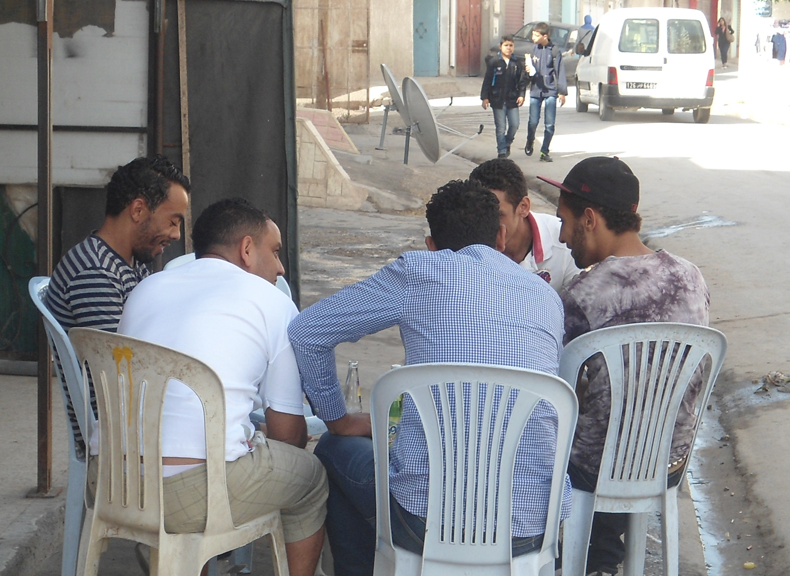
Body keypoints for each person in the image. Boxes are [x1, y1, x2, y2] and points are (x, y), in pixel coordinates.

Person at [287, 179, 571, 576]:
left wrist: (340, 420)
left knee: (333, 450)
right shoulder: (546, 296)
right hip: (531, 528)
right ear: (502, 237)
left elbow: (307, 332)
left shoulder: (418, 272)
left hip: (425, 525)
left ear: (430, 245)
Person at [117, 198, 327, 576]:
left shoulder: (146, 289)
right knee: (310, 478)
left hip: (116, 483)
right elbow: (287, 434)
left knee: (224, 450)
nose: (280, 268)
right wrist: (262, 438)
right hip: (191, 494)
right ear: (247, 249)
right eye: (275, 252)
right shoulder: (272, 303)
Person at [538, 157, 709, 576]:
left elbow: (554, 384)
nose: (561, 236)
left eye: (564, 220)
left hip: (596, 468)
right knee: (620, 419)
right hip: (667, 457)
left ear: (590, 218)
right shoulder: (691, 277)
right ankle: (602, 557)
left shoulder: (582, 294)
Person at [48, 155, 189, 461]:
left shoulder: (129, 263)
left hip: (136, 421)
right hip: (120, 438)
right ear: (138, 209)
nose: (177, 234)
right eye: (173, 220)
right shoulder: (96, 273)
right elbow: (119, 378)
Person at [469, 157, 579, 292]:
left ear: (523, 207)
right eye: (478, 214)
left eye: (497, 215)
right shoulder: (464, 240)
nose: (486, 224)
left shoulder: (564, 244)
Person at [523, 22, 567, 163]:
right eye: (533, 34)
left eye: (536, 35)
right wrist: (528, 72)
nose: (533, 37)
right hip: (536, 90)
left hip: (550, 91)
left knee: (549, 124)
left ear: (545, 36)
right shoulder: (532, 50)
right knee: (533, 122)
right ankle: (530, 140)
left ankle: (544, 151)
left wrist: (562, 92)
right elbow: (528, 71)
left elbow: (560, 71)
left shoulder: (554, 51)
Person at [482, 35, 529, 159]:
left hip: (512, 100)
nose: (508, 48)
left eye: (511, 45)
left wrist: (521, 95)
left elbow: (522, 81)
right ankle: (502, 151)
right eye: (506, 45)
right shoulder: (494, 62)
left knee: (514, 124)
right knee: (500, 127)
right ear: (500, 47)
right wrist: (485, 97)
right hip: (497, 99)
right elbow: (487, 80)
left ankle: (507, 143)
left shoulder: (516, 63)